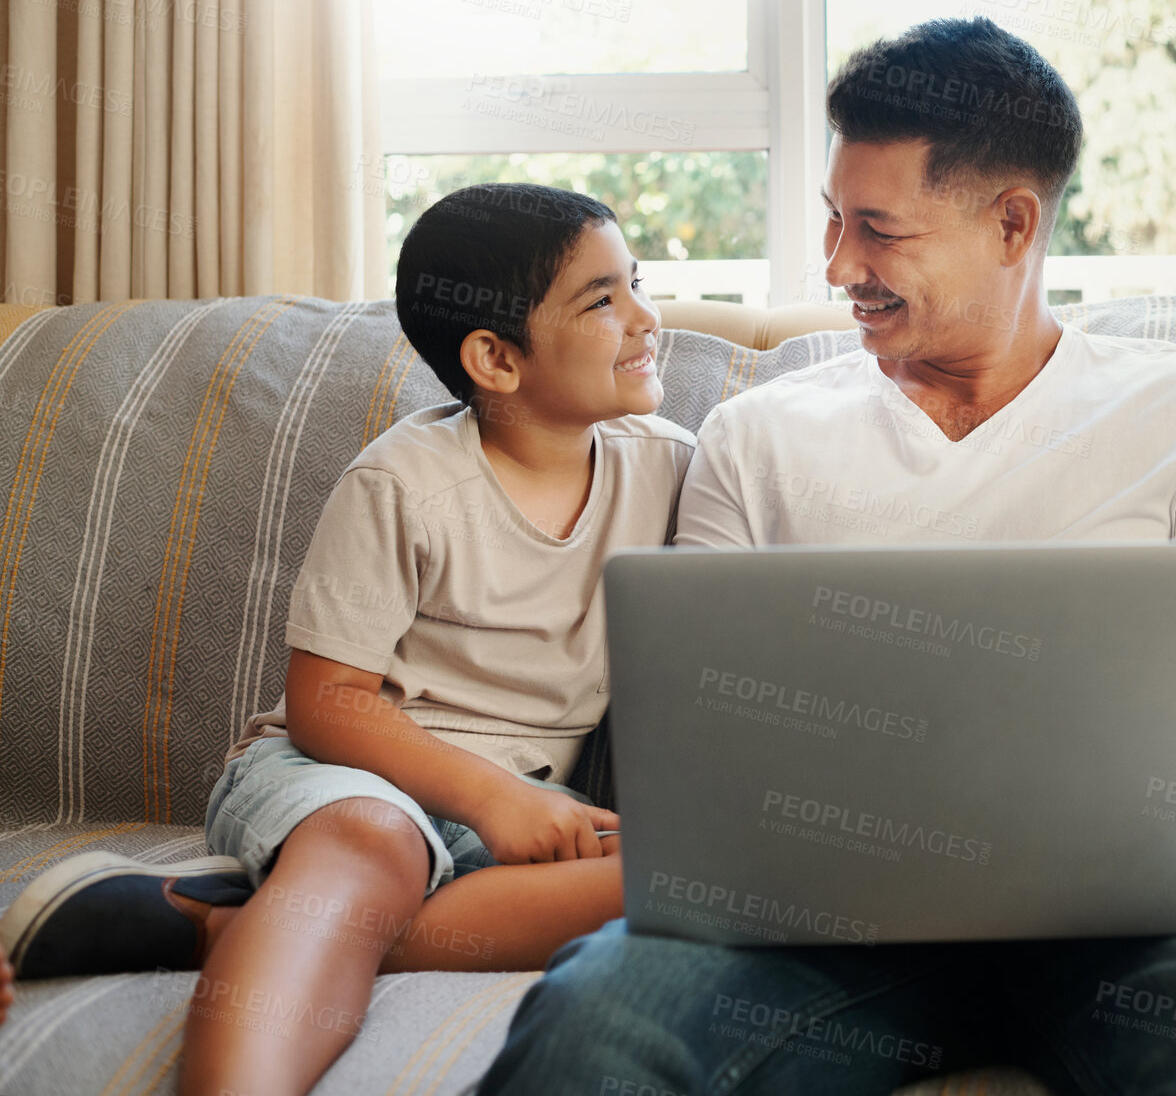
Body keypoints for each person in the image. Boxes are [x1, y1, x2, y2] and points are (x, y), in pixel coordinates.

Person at [479, 18, 1176, 1095]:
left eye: (878, 230)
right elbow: (690, 727)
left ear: (1012, 224)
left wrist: (1144, 834)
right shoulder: (760, 434)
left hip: (1142, 902)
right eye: (834, 222)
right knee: (590, 1032)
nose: (840, 265)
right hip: (818, 911)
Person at [0, 183, 696, 1096]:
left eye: (635, 283)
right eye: (603, 300)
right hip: (351, 776)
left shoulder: (671, 462)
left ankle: (240, 923)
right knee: (374, 849)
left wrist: (517, 807)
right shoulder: (405, 481)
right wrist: (492, 799)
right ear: (494, 357)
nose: (646, 318)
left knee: (688, 877)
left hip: (516, 810)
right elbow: (330, 706)